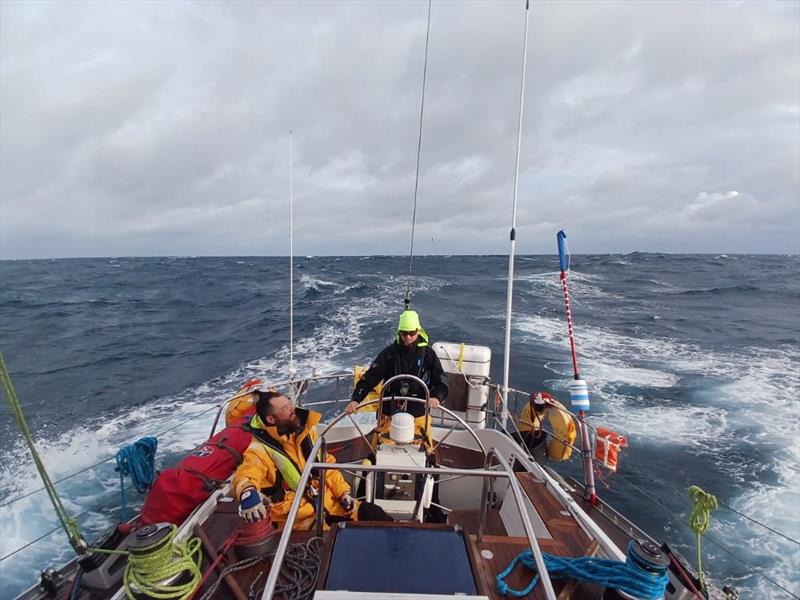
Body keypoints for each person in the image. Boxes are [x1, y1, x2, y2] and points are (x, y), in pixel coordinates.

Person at [233, 390, 391, 530]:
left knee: (375, 514)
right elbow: (247, 473)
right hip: (296, 518)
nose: (292, 410)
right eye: (285, 408)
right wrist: (247, 492)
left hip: (329, 503)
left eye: (290, 404)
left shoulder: (306, 432)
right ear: (271, 420)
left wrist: (343, 493)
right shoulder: (259, 449)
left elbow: (327, 465)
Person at [344, 309, 448, 441]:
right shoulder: (388, 354)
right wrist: (355, 399)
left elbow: (441, 379)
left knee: (424, 447)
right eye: (404, 333)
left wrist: (437, 397)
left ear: (418, 330)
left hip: (418, 411)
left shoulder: (428, 355)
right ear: (399, 332)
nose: (408, 337)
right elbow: (370, 377)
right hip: (389, 410)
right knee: (381, 446)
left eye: (412, 333)